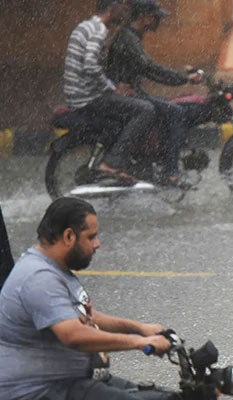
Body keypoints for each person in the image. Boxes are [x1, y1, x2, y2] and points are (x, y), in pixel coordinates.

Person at [0, 198, 175, 400]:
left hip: (71, 381)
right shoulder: (39, 278)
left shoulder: (53, 267)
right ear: (68, 236)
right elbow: (73, 335)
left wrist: (140, 328)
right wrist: (139, 343)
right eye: (91, 237)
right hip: (41, 390)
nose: (97, 244)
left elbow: (77, 315)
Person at [105, 0, 202, 189]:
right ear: (144, 17)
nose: (158, 21)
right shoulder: (128, 38)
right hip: (128, 96)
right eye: (155, 16)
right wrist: (185, 78)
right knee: (176, 112)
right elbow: (150, 69)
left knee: (169, 109)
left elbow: (149, 68)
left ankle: (156, 164)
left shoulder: (131, 37)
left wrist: (182, 75)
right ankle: (171, 172)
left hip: (132, 93)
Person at [63, 0, 156, 183]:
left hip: (77, 96)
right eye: (123, 7)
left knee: (126, 111)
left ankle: (119, 164)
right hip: (89, 98)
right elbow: (90, 64)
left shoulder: (85, 26)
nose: (125, 13)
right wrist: (112, 88)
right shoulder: (99, 30)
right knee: (145, 109)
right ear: (114, 7)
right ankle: (111, 164)